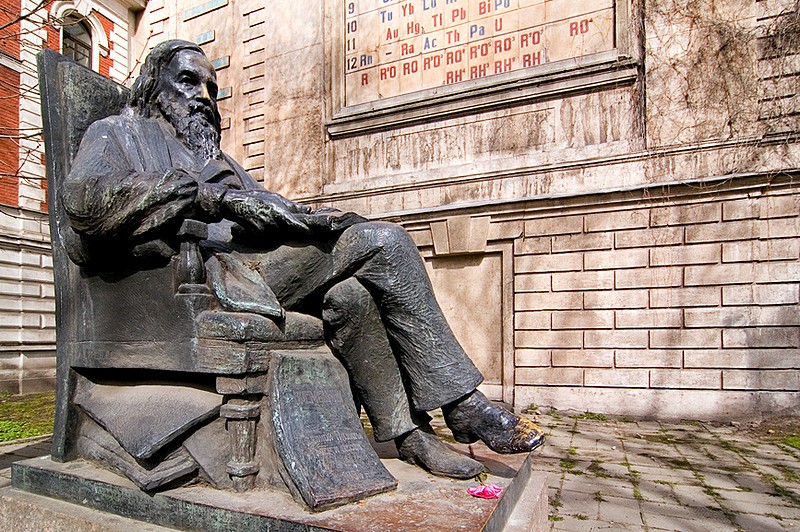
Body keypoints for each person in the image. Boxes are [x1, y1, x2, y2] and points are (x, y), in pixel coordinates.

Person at [64, 40, 544, 480]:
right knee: (384, 240)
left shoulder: (221, 160)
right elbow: (85, 203)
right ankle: (462, 404)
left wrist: (307, 218)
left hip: (253, 270)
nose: (204, 97)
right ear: (153, 86)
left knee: (351, 296)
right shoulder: (119, 133)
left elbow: (262, 205)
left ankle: (407, 434)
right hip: (194, 282)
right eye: (188, 82)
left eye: (212, 88)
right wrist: (215, 201)